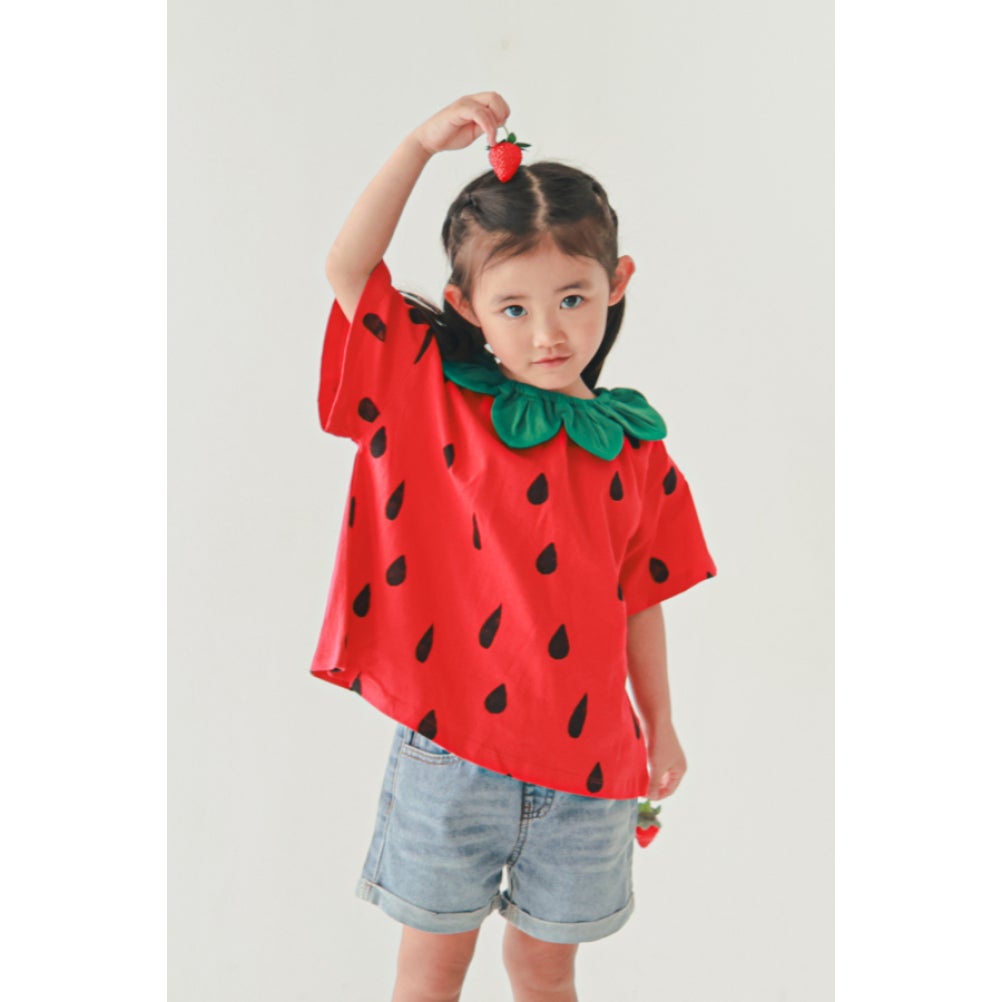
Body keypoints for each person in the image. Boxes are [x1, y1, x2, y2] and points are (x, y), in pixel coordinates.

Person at [310, 92, 716, 1002]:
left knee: (544, 971)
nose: (548, 333)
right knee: (430, 972)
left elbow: (639, 597)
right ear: (467, 307)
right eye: (514, 307)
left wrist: (660, 721)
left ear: (618, 283)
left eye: (573, 298)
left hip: (591, 766)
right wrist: (419, 146)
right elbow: (349, 266)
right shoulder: (435, 391)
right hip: (451, 751)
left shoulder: (638, 449)